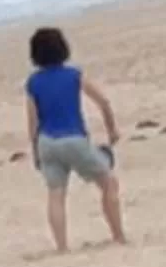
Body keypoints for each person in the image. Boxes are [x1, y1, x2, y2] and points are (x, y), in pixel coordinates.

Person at [23, 26, 125, 252]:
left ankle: (62, 247)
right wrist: (111, 129)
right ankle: (118, 235)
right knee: (108, 182)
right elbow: (103, 102)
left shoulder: (33, 83)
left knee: (56, 194)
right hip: (74, 139)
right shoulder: (73, 75)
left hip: (47, 142)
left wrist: (35, 151)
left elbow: (33, 122)